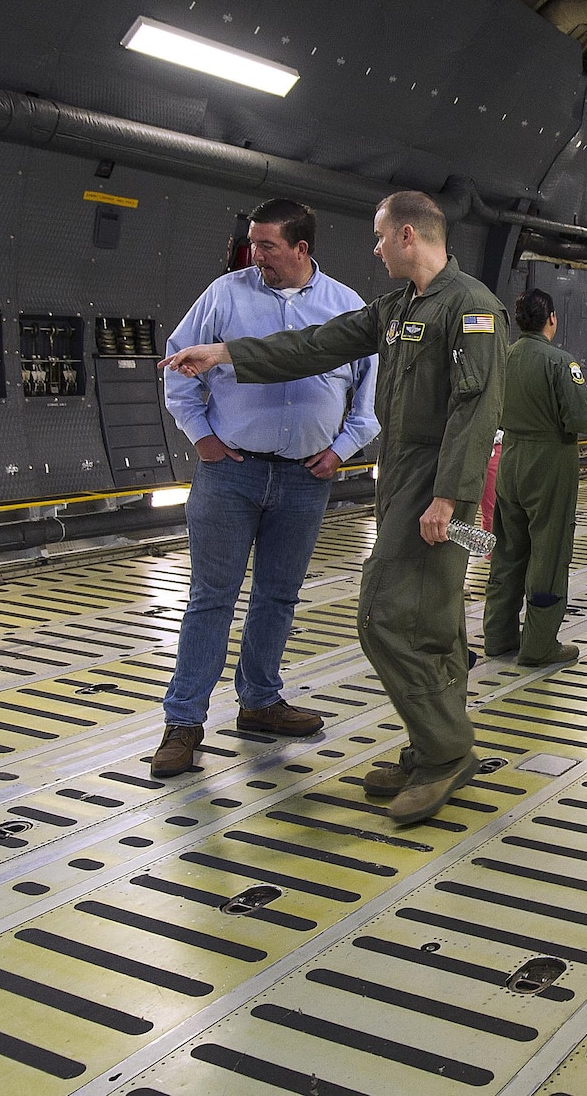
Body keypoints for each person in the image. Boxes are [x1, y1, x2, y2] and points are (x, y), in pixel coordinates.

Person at [160, 191, 509, 827]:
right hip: (408, 489)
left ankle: (446, 752)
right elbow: (315, 344)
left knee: (390, 617)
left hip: (442, 498)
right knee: (429, 621)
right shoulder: (400, 307)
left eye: (380, 238)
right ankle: (429, 744)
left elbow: (475, 408)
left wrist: (449, 499)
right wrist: (226, 353)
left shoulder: (473, 309)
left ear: (408, 235)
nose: (373, 249)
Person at [152, 199, 379, 779]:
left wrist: (342, 448)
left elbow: (372, 394)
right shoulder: (225, 295)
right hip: (231, 472)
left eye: (268, 246)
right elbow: (178, 370)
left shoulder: (345, 306)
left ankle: (259, 702)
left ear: (302, 249)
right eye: (254, 244)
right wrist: (201, 436)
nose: (256, 256)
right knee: (211, 597)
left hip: (306, 477)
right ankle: (183, 722)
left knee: (278, 596)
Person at [485, 289, 587, 666]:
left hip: (510, 458)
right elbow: (579, 420)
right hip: (549, 461)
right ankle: (539, 645)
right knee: (548, 554)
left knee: (507, 551)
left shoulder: (503, 356)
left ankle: (498, 637)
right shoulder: (560, 362)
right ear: (551, 317)